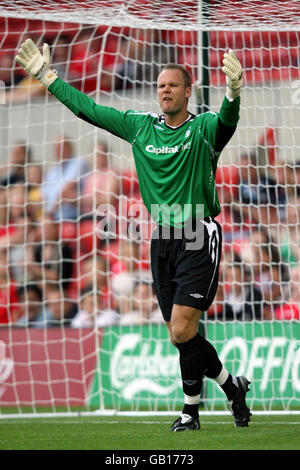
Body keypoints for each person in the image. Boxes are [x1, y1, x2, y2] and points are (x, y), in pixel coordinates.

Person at [16, 39, 252, 430]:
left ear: (188, 90)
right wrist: (47, 76)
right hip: (162, 239)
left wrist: (233, 91)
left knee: (181, 328)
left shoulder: (203, 129)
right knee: (182, 335)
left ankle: (190, 412)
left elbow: (228, 119)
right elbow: (89, 109)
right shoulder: (141, 127)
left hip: (198, 233)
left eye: (173, 85)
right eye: (161, 85)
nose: (164, 90)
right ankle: (232, 389)